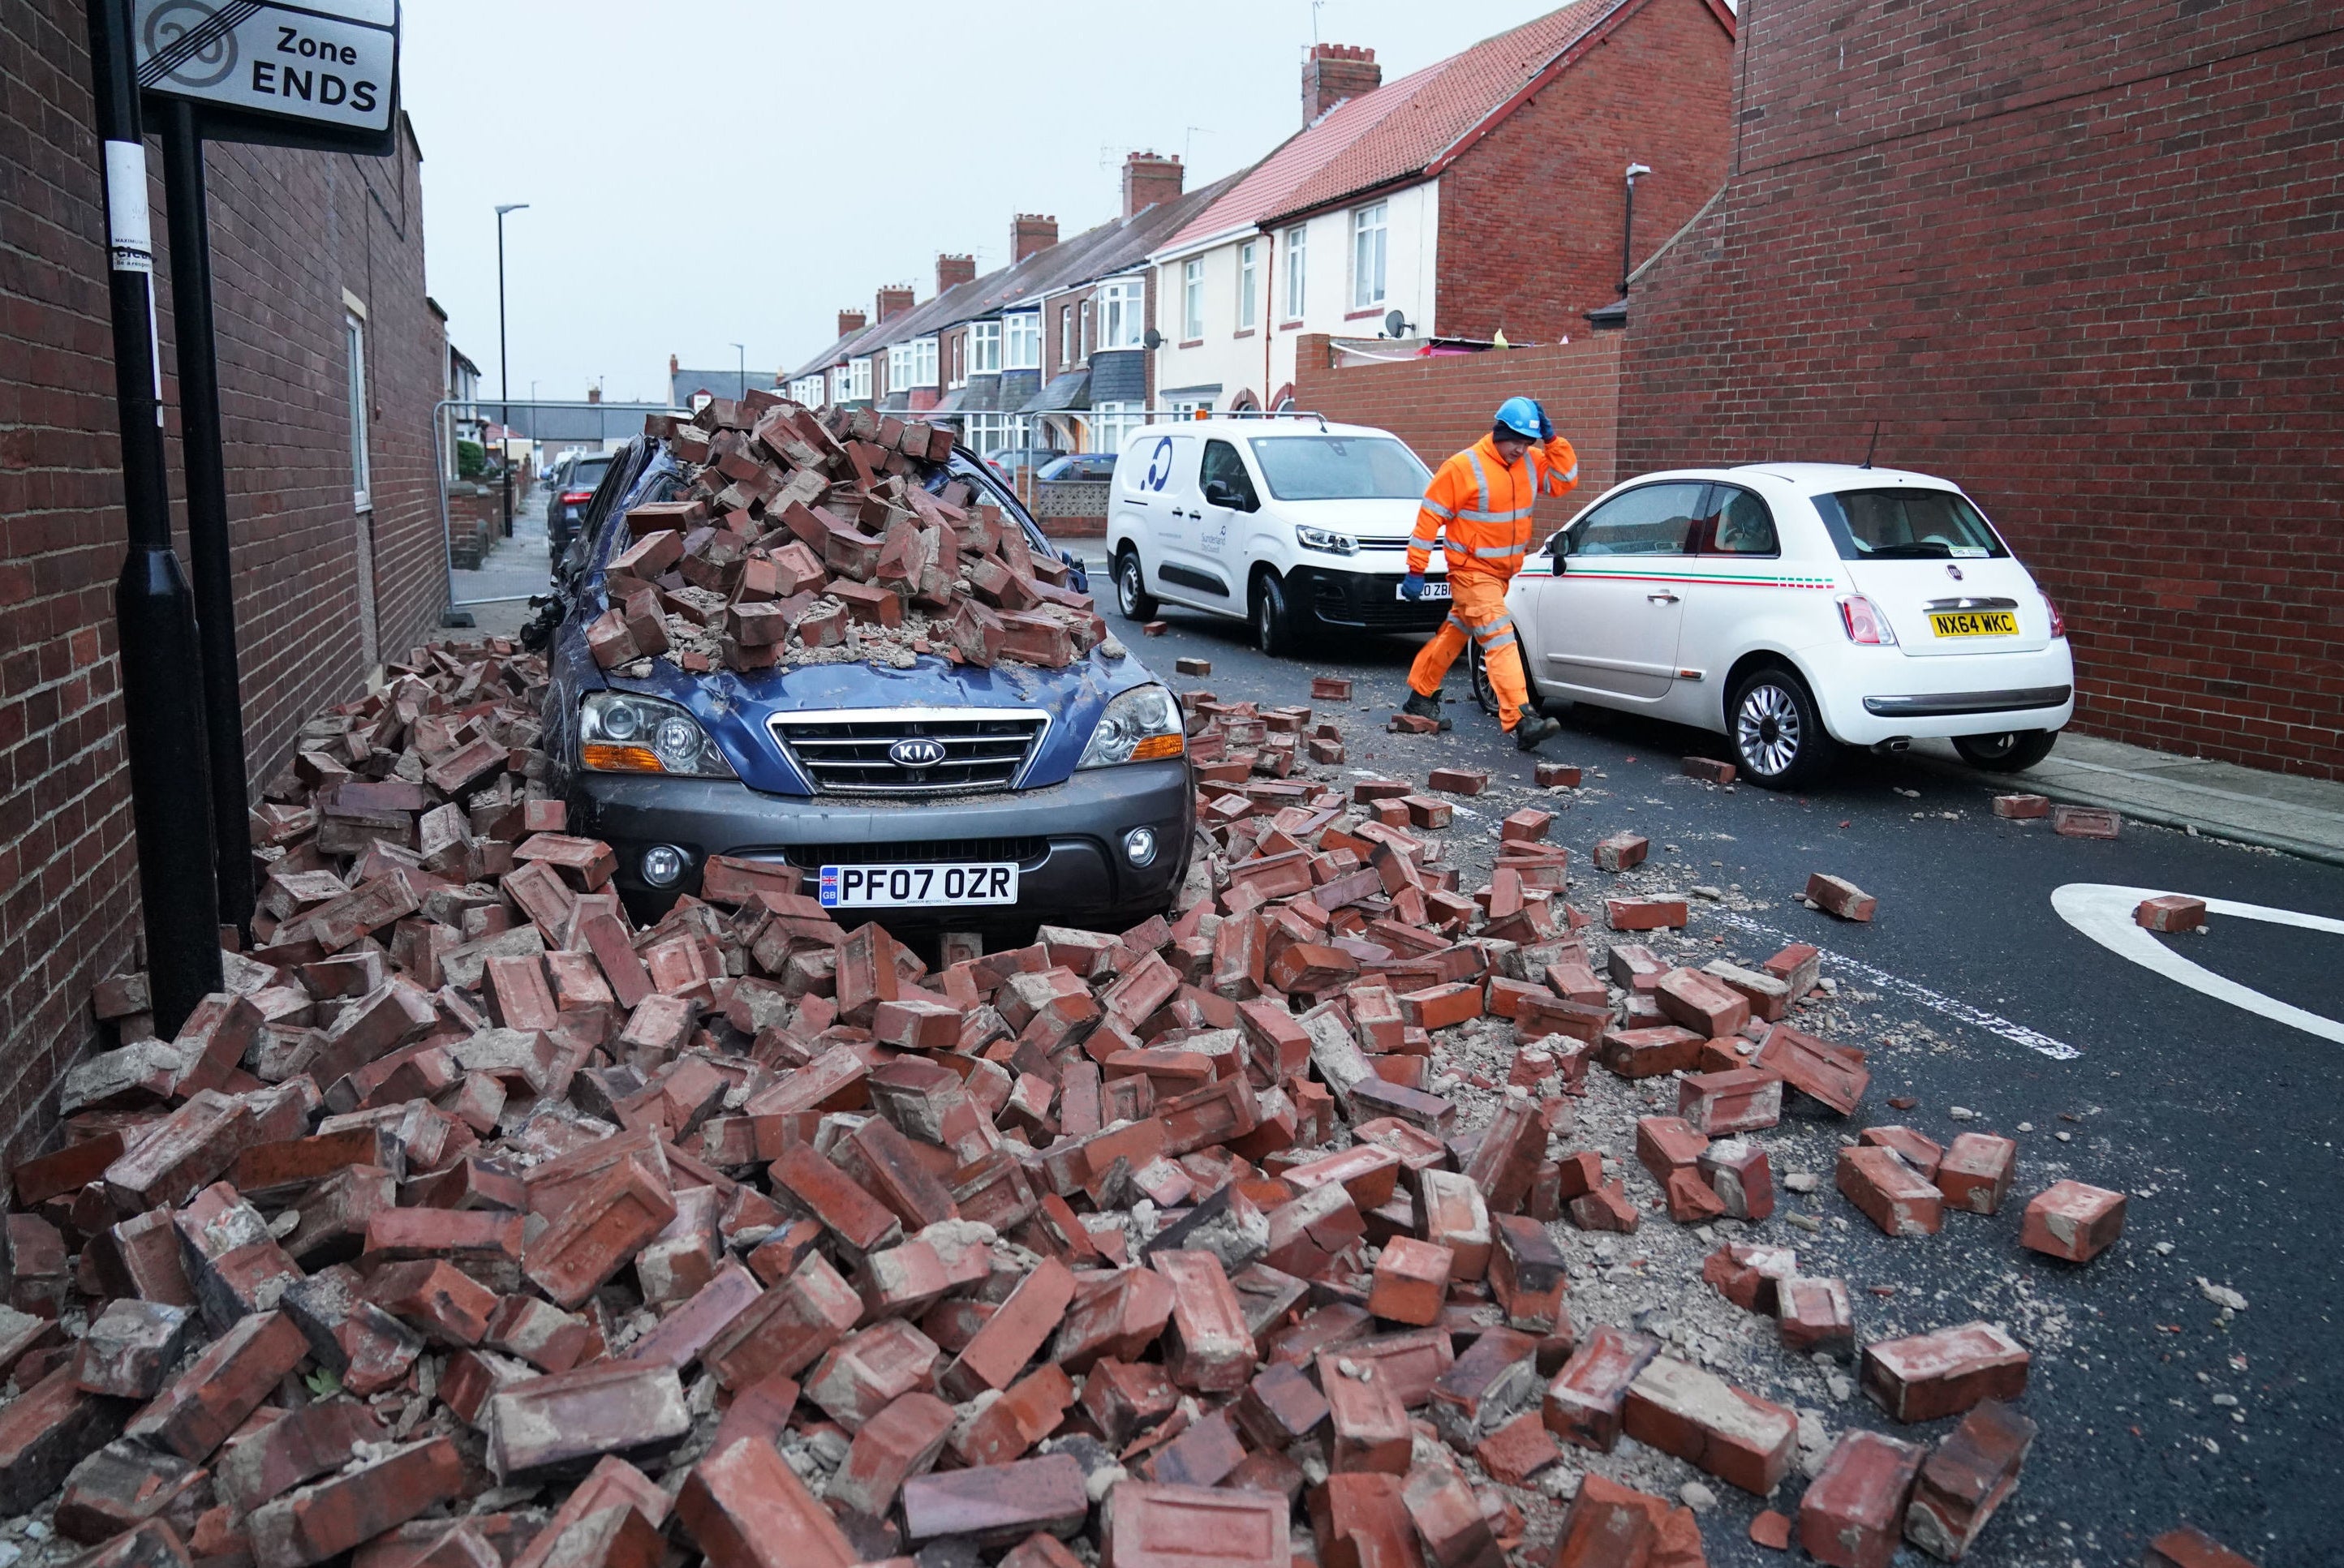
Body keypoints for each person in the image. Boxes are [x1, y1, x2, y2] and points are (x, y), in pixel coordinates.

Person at [1398, 397, 1579, 749]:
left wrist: (1554, 441)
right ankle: (1521, 718)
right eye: (1515, 440)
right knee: (1499, 636)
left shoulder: (1531, 462)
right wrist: (1416, 569)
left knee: (1454, 633)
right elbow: (1429, 518)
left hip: (1501, 575)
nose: (1520, 449)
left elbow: (1565, 481)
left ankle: (1421, 695)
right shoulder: (1463, 467)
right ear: (1499, 433)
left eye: (1528, 442)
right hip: (1470, 572)